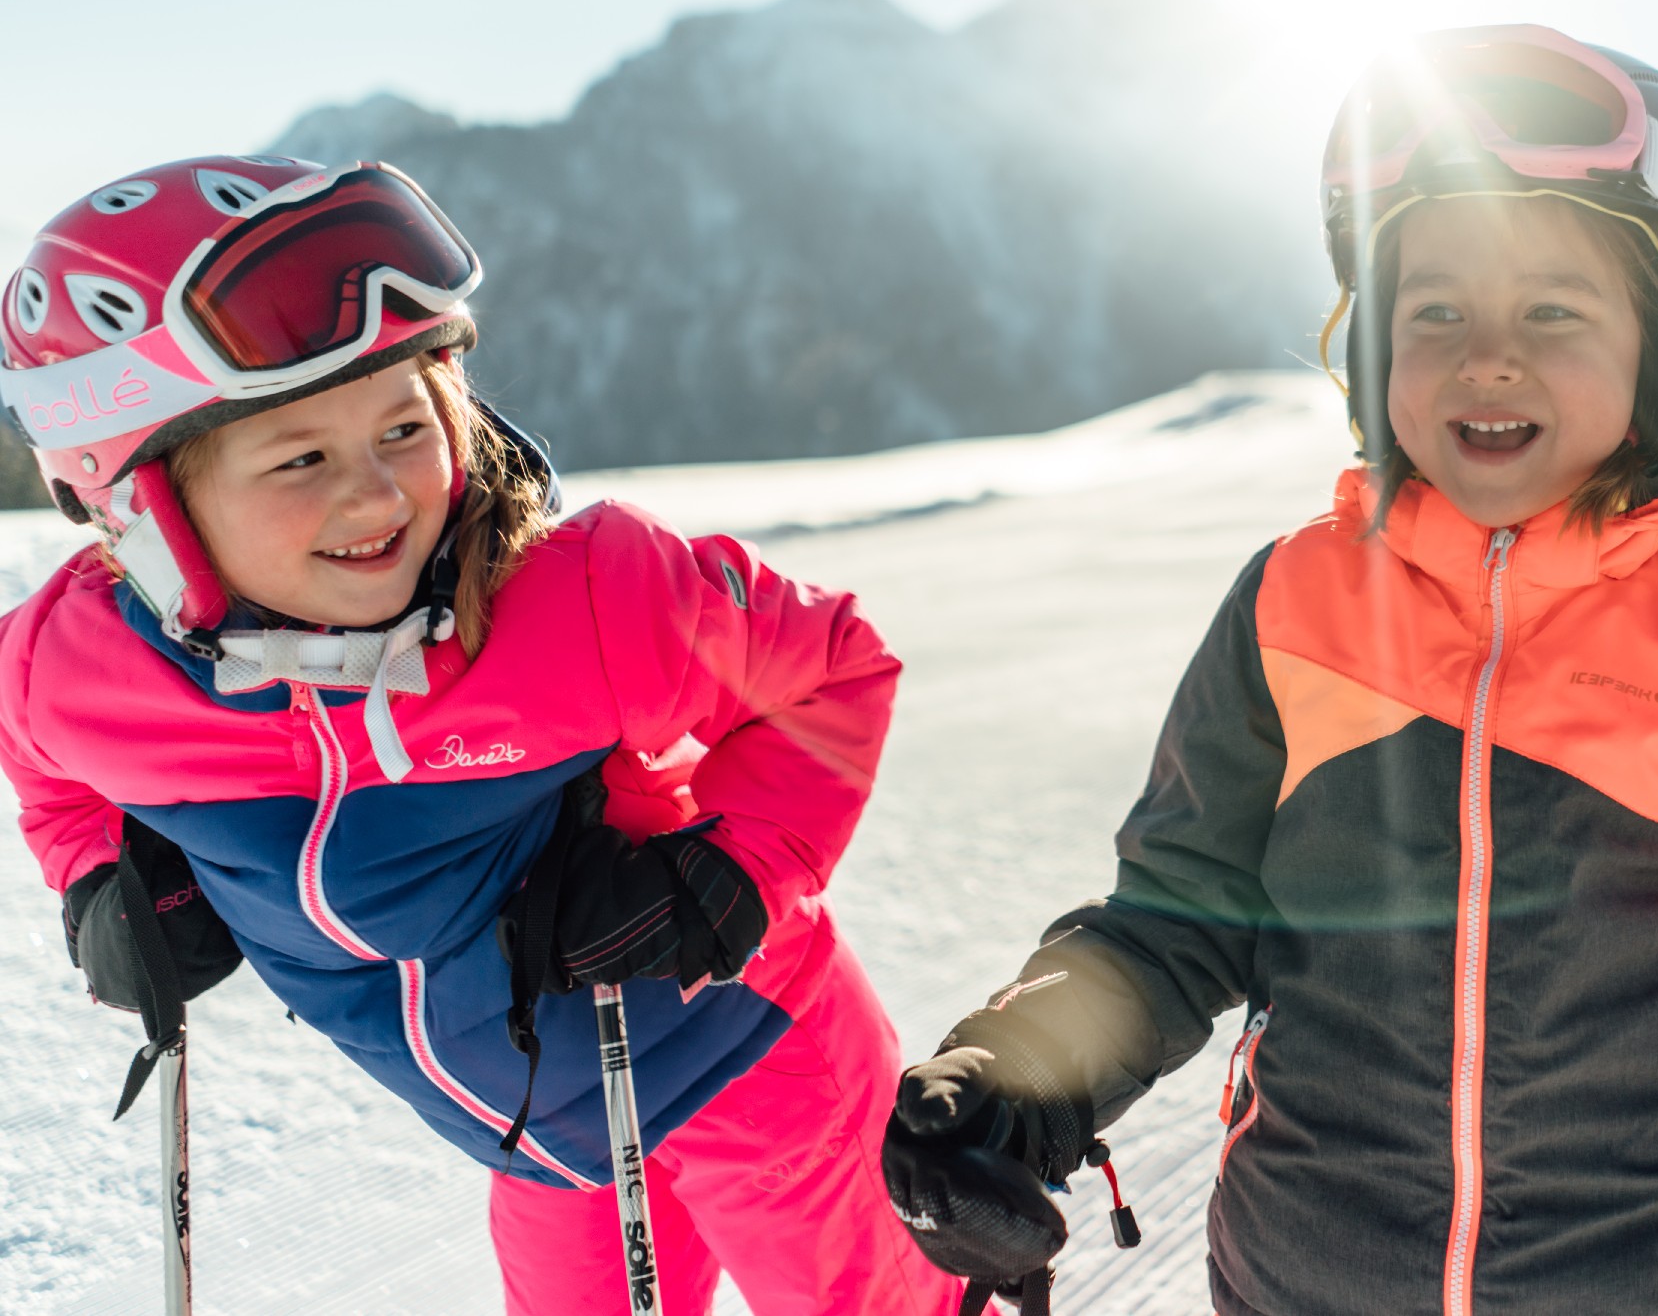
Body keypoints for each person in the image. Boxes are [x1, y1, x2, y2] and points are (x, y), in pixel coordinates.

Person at [880, 28, 1658, 1316]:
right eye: (1435, 309)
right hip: (1302, 1283)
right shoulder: (1292, 605)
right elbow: (1173, 920)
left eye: (1552, 307)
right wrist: (1008, 1074)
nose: (1488, 353)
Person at [0, 157, 957, 1316]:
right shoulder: (73, 669)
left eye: (407, 425)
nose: (380, 496)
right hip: (541, 1137)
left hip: (745, 1059)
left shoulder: (589, 601)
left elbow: (834, 670)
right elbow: (45, 767)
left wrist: (733, 871)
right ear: (138, 504)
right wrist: (101, 878)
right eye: (301, 456)